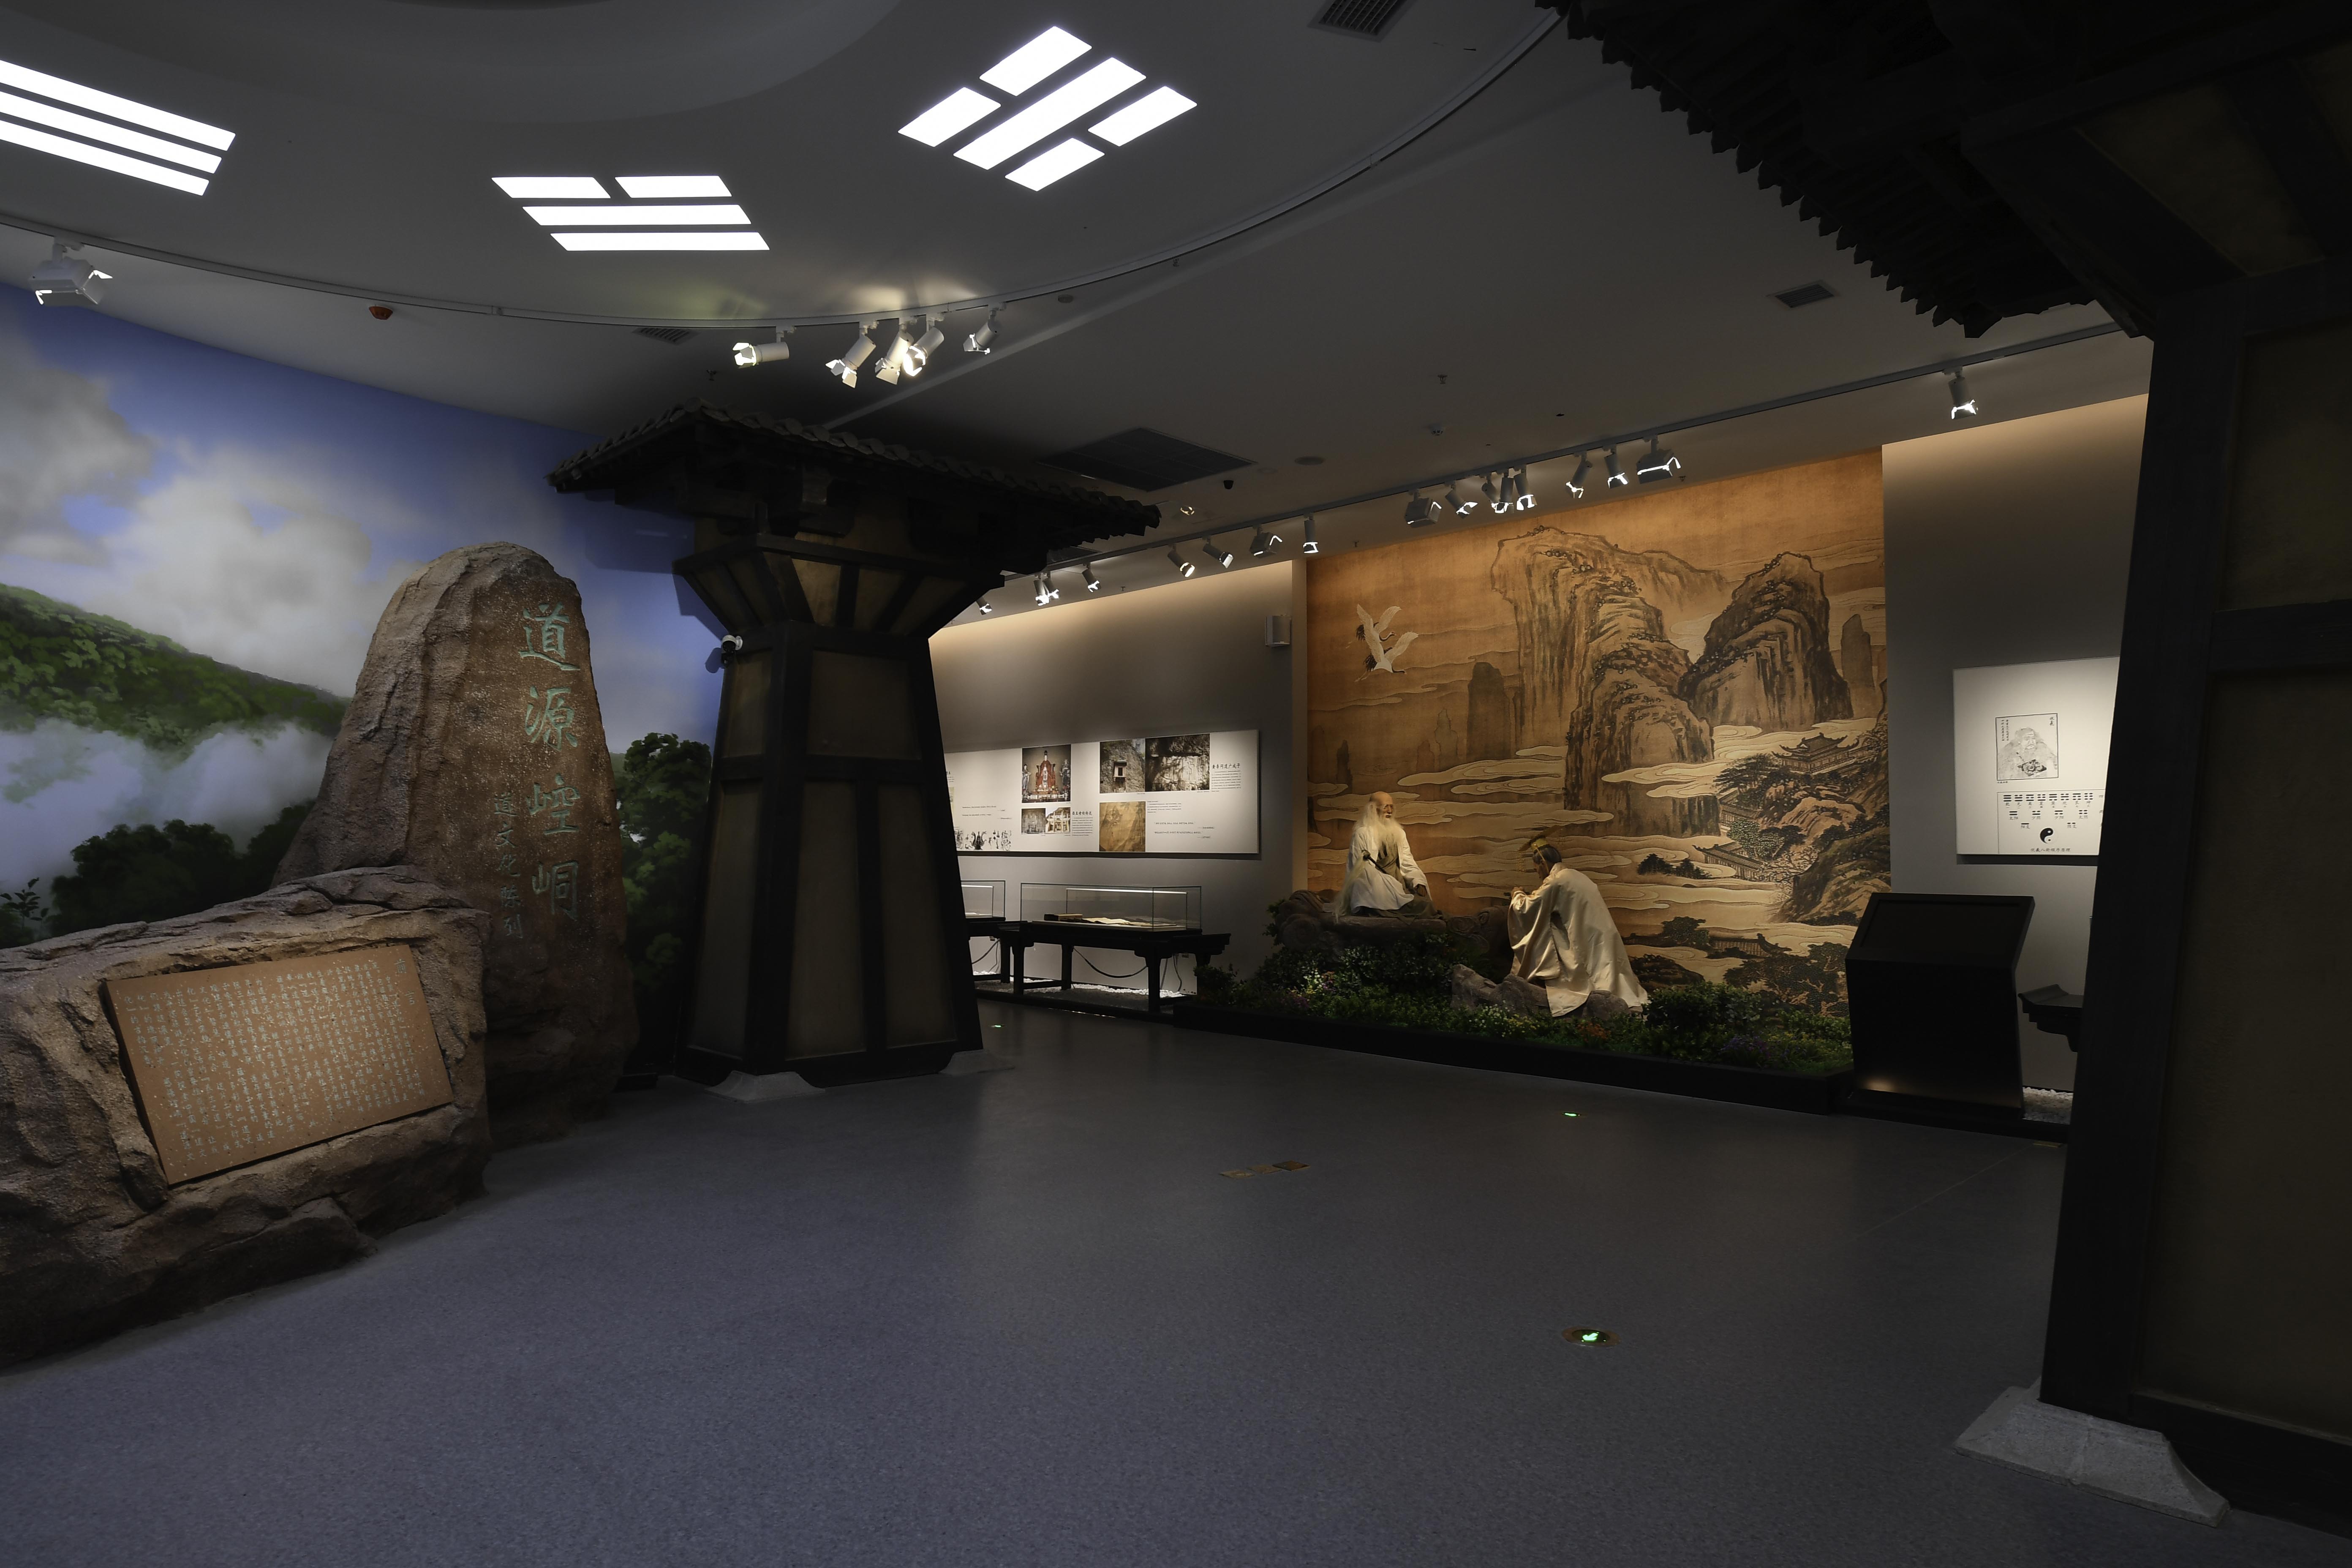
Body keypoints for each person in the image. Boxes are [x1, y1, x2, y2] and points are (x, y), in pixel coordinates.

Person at [1506, 836, 1649, 1016]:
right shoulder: (1578, 876)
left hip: (1584, 936)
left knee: (1592, 977)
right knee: (1608, 973)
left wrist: (1517, 895)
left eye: (1537, 870)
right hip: (1599, 932)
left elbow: (1530, 907)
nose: (1539, 875)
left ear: (1543, 864)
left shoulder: (1557, 881)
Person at [1343, 792, 1434, 915]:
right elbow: (1360, 868)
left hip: (1399, 886)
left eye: (1392, 807)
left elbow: (1407, 861)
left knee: (1426, 905)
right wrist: (1387, 883)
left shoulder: (1399, 833)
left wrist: (1418, 881)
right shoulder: (1362, 834)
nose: (1390, 811)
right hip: (1375, 888)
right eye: (1385, 807)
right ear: (1373, 809)